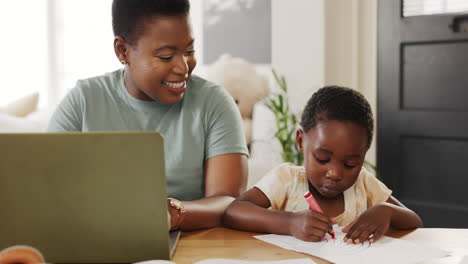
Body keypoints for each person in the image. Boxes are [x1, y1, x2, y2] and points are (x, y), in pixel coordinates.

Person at [47, 0, 249, 231]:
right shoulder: (83, 101)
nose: (183, 67)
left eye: (189, 51)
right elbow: (48, 190)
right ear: (122, 50)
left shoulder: (213, 102)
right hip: (93, 237)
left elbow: (228, 201)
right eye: (165, 56)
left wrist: (170, 214)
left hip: (189, 244)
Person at [223, 86, 423, 243]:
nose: (335, 173)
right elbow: (234, 211)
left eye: (351, 163)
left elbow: (415, 221)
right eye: (322, 159)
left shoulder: (364, 184)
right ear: (301, 141)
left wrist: (386, 211)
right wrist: (290, 223)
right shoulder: (287, 179)